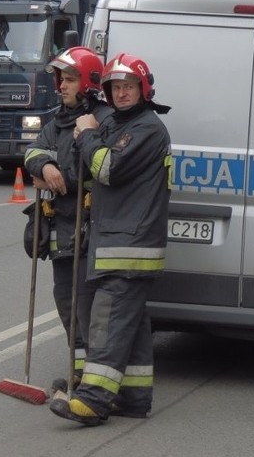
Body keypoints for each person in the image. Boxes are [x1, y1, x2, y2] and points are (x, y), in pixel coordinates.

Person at [49, 52, 172, 425]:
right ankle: (132, 397)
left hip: (128, 245)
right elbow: (78, 166)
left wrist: (87, 133)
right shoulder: (123, 125)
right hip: (119, 241)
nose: (120, 94)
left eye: (128, 87)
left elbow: (106, 169)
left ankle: (93, 399)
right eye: (115, 87)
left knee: (106, 321)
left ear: (143, 89)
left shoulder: (147, 128)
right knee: (130, 325)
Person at [24, 47, 112, 390]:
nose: (61, 85)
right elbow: (34, 150)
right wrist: (43, 166)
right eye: (60, 78)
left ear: (88, 83)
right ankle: (78, 372)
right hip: (61, 228)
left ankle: (93, 379)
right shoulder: (58, 120)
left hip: (89, 230)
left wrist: (59, 177)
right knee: (67, 303)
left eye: (70, 79)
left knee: (87, 307)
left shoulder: (102, 122)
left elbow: (89, 170)